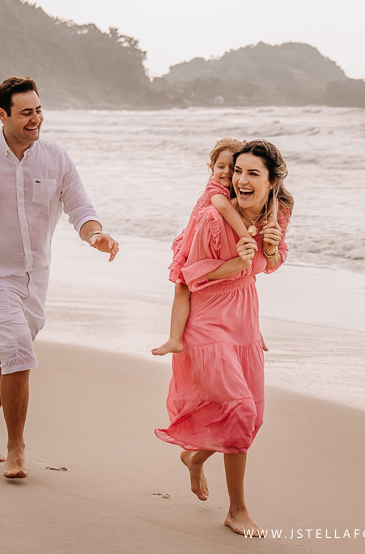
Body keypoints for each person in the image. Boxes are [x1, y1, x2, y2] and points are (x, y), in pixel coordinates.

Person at [0, 76, 119, 479]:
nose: (36, 119)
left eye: (39, 110)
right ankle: (16, 447)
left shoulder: (56, 158)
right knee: (17, 349)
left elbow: (80, 207)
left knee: (12, 351)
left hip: (37, 275)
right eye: (26, 112)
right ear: (2, 114)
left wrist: (95, 234)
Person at [154, 139, 292, 536]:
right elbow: (189, 275)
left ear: (271, 181)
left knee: (253, 419)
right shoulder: (211, 219)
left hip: (245, 317)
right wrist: (234, 263)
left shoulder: (276, 212)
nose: (241, 180)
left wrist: (270, 249)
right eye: (238, 171)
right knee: (240, 410)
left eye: (252, 173)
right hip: (208, 319)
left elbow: (274, 261)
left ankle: (196, 457)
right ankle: (237, 510)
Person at [151, 138, 253, 356]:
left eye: (231, 168)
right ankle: (175, 338)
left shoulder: (239, 192)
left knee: (246, 280)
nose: (225, 172)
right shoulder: (215, 189)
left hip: (218, 244)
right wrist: (246, 237)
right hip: (195, 243)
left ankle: (253, 330)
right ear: (211, 168)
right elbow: (224, 208)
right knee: (182, 285)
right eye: (220, 167)